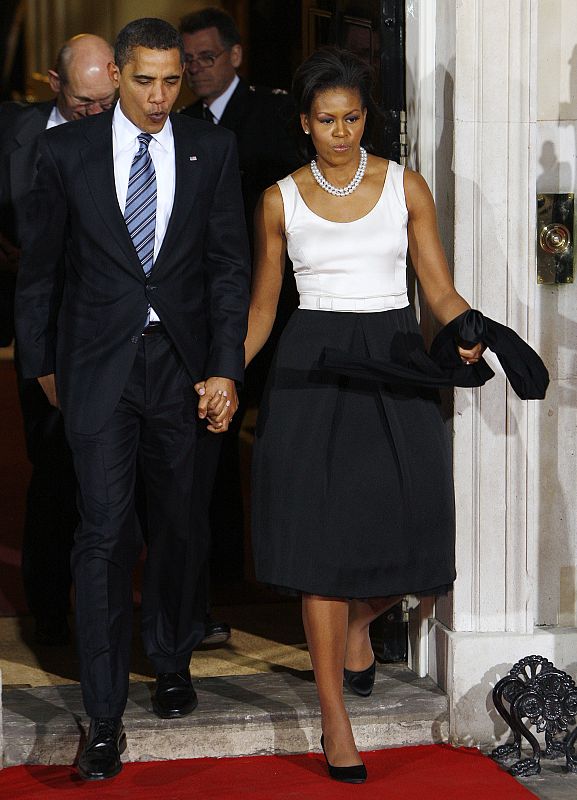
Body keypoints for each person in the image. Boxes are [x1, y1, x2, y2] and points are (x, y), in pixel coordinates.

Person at [239, 47, 484, 783]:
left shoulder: (404, 186)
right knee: (319, 549)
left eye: (351, 119)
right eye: (326, 121)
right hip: (311, 364)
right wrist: (223, 373)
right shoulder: (277, 199)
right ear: (304, 124)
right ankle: (332, 719)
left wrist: (468, 331)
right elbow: (261, 308)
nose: (341, 133)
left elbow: (436, 289)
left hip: (393, 354)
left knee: (418, 527)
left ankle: (357, 624)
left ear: (364, 119)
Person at [15, 17, 250, 781]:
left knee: (180, 524)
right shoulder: (65, 150)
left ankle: (173, 657)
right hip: (97, 371)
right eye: (144, 80)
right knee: (105, 533)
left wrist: (225, 368)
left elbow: (225, 269)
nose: (158, 96)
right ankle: (107, 714)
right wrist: (44, 367)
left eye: (171, 81)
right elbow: (40, 269)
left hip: (181, 370)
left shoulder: (209, 149)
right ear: (116, 75)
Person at [179, 6, 302, 645]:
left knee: (277, 440)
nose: (196, 69)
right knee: (211, 440)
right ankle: (222, 568)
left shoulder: (276, 118)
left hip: (279, 310)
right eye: (188, 59)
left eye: (205, 57)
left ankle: (281, 569)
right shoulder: (175, 124)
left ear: (234, 57)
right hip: (205, 311)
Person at [0, 33, 116, 645]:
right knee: (53, 473)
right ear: (53, 83)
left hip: (116, 332)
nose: (96, 114)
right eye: (83, 102)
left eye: (106, 100)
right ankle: (50, 611)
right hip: (43, 330)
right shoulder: (12, 134)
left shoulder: (133, 134)